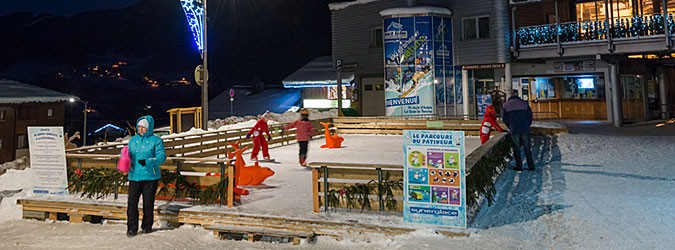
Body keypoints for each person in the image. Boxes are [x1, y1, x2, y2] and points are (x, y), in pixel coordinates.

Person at [126, 115, 166, 237]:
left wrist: (148, 161)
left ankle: (147, 226)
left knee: (148, 203)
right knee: (132, 203)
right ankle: (132, 228)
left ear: (149, 127)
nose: (140, 129)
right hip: (134, 176)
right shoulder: (133, 140)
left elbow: (161, 157)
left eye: (143, 127)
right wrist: (124, 158)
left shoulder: (157, 140)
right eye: (139, 127)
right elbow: (128, 154)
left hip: (150, 177)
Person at [501, 90, 534, 171]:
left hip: (514, 129)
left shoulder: (505, 105)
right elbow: (530, 116)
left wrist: (509, 126)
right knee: (527, 148)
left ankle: (519, 166)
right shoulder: (524, 103)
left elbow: (504, 118)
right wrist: (527, 124)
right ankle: (531, 166)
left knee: (517, 148)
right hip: (525, 128)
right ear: (518, 95)